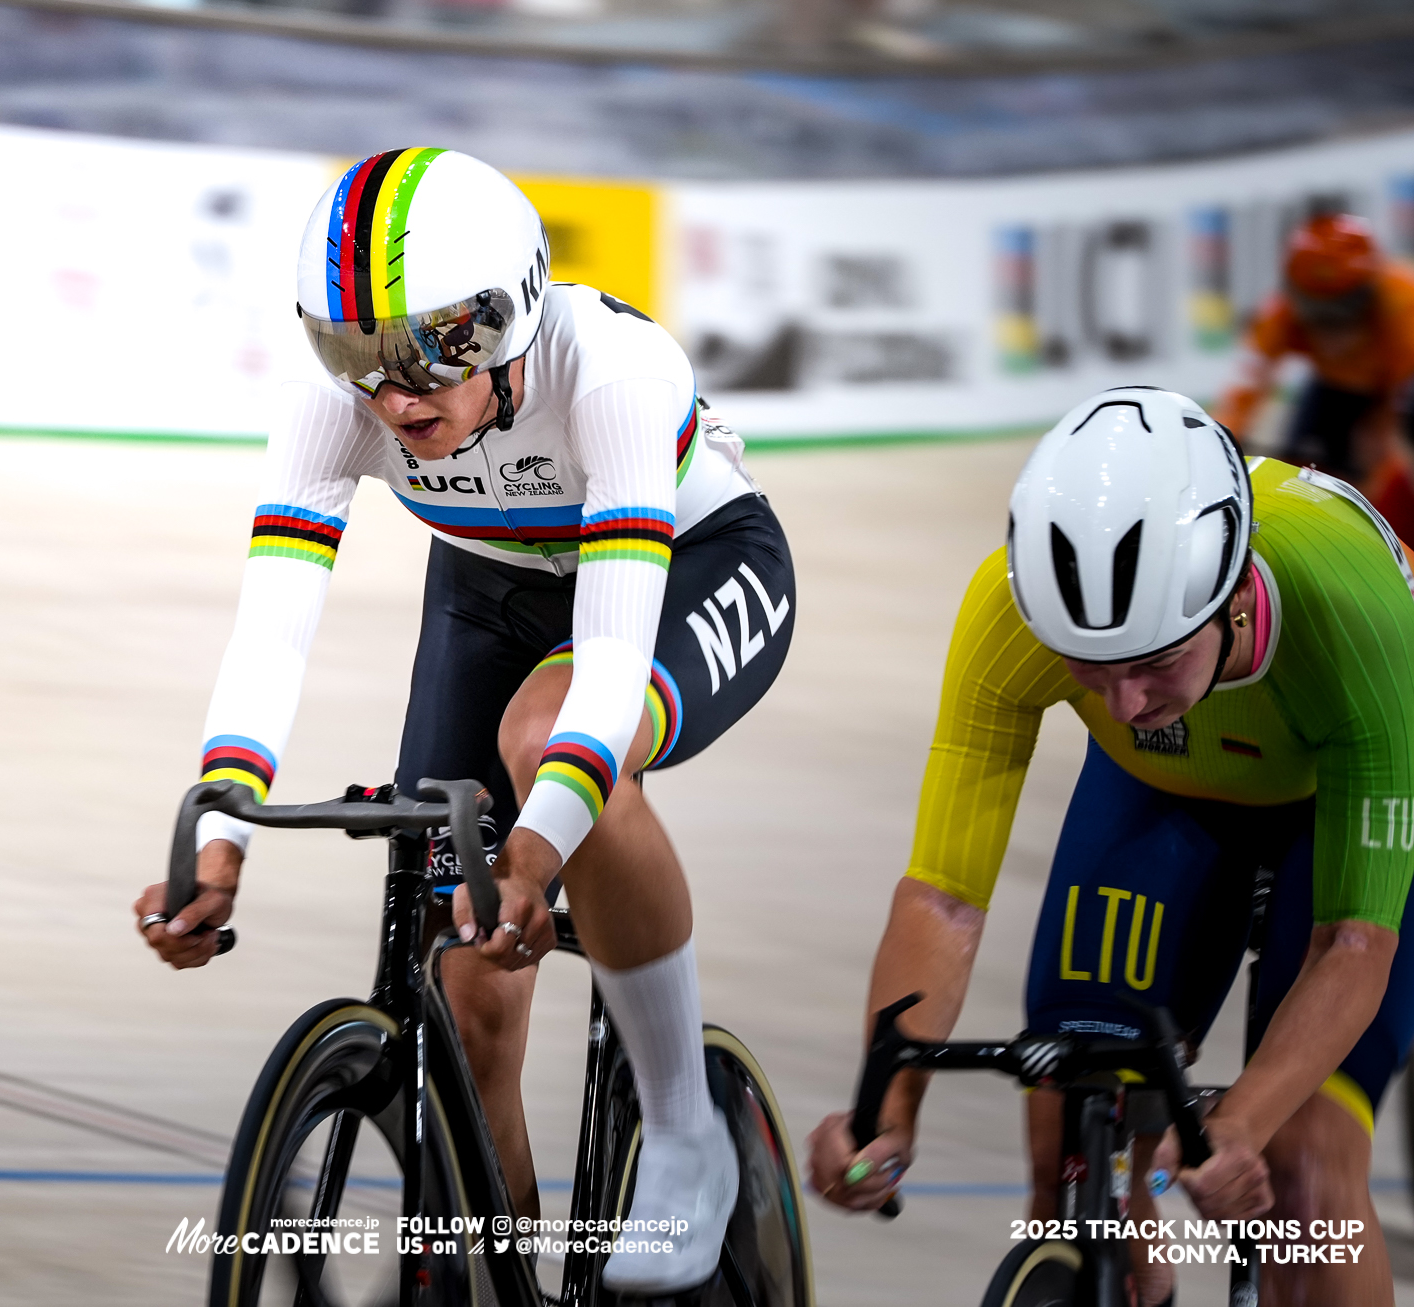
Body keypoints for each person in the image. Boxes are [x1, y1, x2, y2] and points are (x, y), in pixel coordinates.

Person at [131, 147, 795, 1294]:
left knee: (555, 747)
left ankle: (686, 1130)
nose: (394, 396)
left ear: (513, 309)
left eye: (436, 345)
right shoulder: (339, 405)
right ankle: (493, 1273)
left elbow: (609, 661)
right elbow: (273, 628)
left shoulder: (616, 373)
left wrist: (537, 846)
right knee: (468, 972)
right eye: (355, 355)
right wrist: (220, 839)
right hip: (489, 586)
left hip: (686, 563)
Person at [807, 386, 1414, 1305]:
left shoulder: (1356, 618)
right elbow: (943, 894)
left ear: (1230, 600)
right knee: (1070, 1138)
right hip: (1163, 783)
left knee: (1304, 1171)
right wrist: (885, 1109)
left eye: (1155, 660)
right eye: (1094, 669)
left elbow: (1354, 945)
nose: (1125, 703)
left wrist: (1242, 1122)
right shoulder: (1010, 610)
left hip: (1348, 792)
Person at [1215, 211, 1414, 540]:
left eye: (1346, 309)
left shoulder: (1403, 303)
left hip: (1393, 392)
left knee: (1387, 474)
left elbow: (1400, 417)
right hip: (1333, 387)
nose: (1332, 331)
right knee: (1299, 469)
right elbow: (1242, 393)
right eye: (1316, 314)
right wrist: (1221, 446)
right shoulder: (1279, 315)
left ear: (1371, 292)